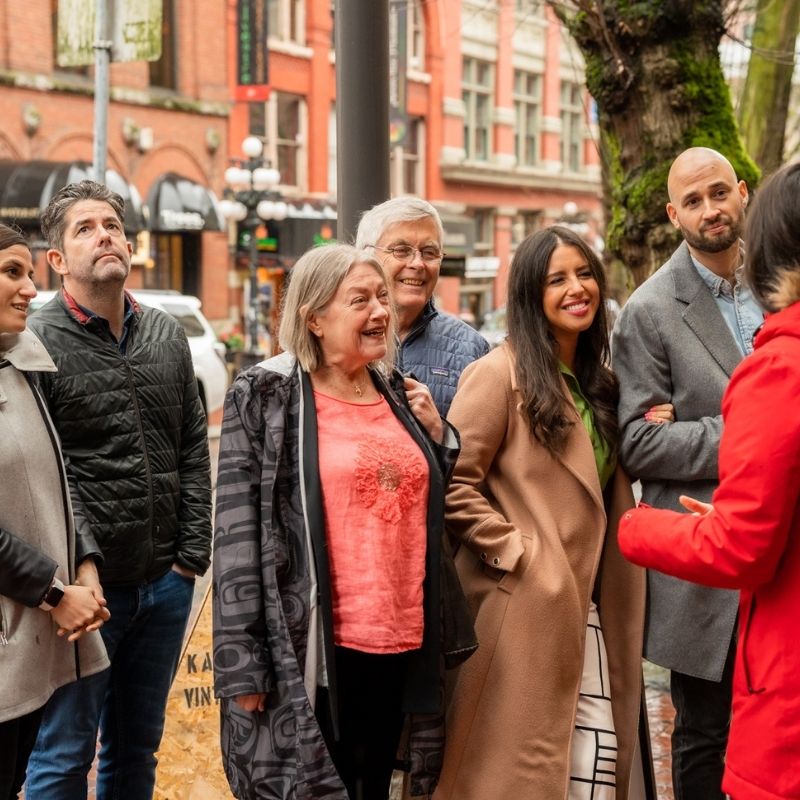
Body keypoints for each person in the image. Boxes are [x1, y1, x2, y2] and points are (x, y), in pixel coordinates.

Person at [212, 243, 474, 800]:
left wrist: (441, 441)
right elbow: (235, 532)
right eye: (359, 300)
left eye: (381, 297)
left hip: (401, 636)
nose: (380, 310)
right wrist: (242, 665)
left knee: (374, 783)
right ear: (314, 318)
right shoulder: (267, 393)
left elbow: (417, 500)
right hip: (313, 642)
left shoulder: (395, 391)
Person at [436, 225, 652, 798]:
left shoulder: (601, 386)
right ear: (532, 294)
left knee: (595, 768)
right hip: (526, 613)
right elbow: (453, 482)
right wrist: (518, 553)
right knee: (522, 776)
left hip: (595, 609)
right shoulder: (497, 374)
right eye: (557, 278)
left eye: (584, 274)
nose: (576, 288)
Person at [24, 181, 212, 799]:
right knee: (64, 754)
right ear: (56, 260)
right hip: (88, 594)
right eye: (85, 228)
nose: (106, 235)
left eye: (113, 226)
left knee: (137, 750)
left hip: (165, 585)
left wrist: (190, 558)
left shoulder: (164, 333)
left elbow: (191, 445)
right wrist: (81, 563)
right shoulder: (35, 345)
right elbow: (48, 472)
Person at [619, 160, 800, 800]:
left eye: (720, 193)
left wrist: (754, 430)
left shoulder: (778, 283)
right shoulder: (647, 310)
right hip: (701, 557)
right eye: (691, 201)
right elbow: (639, 439)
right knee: (702, 733)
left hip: (781, 565)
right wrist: (750, 436)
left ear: (744, 194)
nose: (709, 209)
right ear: (673, 216)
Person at [0, 224, 109, 799]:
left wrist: (85, 565)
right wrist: (53, 592)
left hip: (29, 638)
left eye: (28, 274)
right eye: (11, 272)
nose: (28, 289)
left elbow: (58, 477)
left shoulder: (23, 365)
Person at [355, 196, 489, 416]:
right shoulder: (339, 338)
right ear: (366, 255)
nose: (417, 264)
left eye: (429, 252)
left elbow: (481, 446)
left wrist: (440, 433)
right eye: (401, 250)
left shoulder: (471, 349)